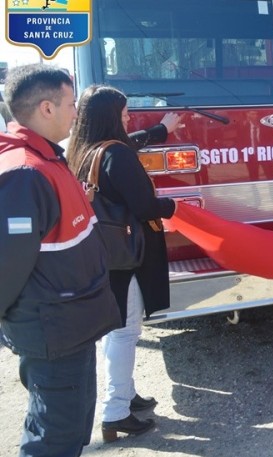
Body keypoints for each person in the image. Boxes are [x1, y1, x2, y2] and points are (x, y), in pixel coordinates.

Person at [0, 64, 121, 456]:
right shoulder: (25, 173)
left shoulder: (45, 159)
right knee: (52, 440)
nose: (76, 113)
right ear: (46, 108)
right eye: (71, 104)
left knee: (68, 432)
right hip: (55, 331)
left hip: (71, 325)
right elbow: (7, 264)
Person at [66, 85, 177, 443]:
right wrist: (176, 207)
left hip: (102, 254)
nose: (129, 119)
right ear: (110, 117)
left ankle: (127, 395)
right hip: (125, 257)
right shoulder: (118, 155)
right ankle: (116, 413)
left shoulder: (81, 150)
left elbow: (129, 145)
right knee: (124, 332)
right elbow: (145, 207)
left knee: (118, 331)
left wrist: (159, 131)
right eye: (125, 113)